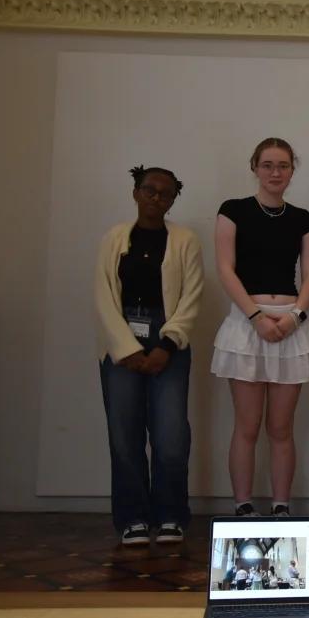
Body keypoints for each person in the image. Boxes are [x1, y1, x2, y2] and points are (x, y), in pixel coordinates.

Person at [95, 165, 203, 546]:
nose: (156, 198)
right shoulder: (113, 238)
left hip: (168, 341)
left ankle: (171, 515)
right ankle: (133, 518)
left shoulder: (186, 240)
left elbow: (191, 298)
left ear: (174, 198)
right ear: (136, 192)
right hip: (120, 340)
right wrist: (125, 349)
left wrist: (166, 345)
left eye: (165, 193)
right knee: (124, 435)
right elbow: (103, 296)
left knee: (171, 435)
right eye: (149, 190)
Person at [212, 138, 309, 519]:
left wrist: (295, 317)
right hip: (246, 325)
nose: (276, 172)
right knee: (247, 425)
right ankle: (242, 505)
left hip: (291, 326)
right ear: (255, 166)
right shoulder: (233, 210)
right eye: (268, 164)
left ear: (292, 169)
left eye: (284, 165)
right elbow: (225, 268)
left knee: (281, 428)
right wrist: (256, 317)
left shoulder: (302, 218)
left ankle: (281, 506)